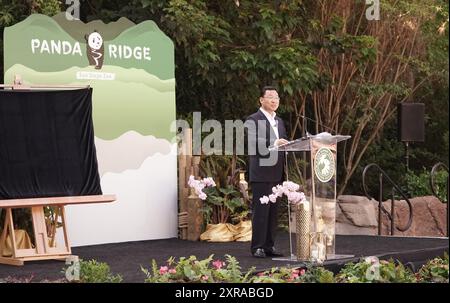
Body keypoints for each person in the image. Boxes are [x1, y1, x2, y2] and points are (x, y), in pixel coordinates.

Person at [246, 86, 289, 258]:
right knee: (261, 212)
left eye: (277, 97)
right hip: (261, 172)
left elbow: (283, 144)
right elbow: (253, 141)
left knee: (273, 213)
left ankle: (269, 246)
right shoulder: (253, 119)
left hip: (277, 172)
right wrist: (275, 142)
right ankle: (257, 246)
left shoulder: (279, 121)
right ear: (261, 100)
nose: (274, 100)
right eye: (270, 97)